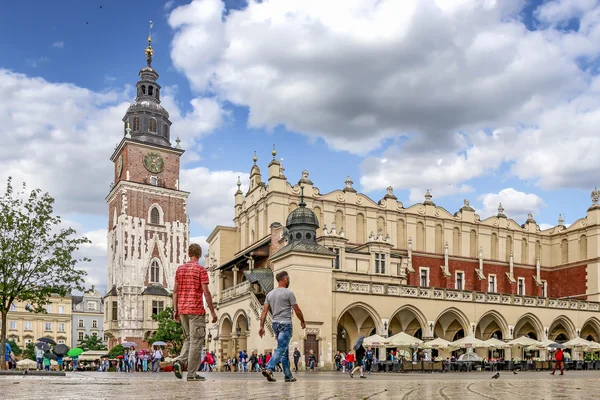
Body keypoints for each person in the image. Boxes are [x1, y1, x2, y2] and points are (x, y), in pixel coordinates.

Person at [172, 243, 217, 382]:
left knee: (189, 339)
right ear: (199, 254)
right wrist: (213, 312)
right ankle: (191, 373)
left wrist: (175, 310)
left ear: (188, 253)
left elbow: (175, 291)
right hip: (196, 310)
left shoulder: (180, 270)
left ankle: (180, 362)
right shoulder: (201, 270)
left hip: (182, 310)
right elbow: (206, 292)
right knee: (196, 342)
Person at [259, 270, 306, 383]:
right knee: (281, 348)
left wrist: (261, 326)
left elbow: (264, 311)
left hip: (275, 324)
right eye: (288, 278)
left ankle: (288, 376)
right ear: (285, 279)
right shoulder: (288, 293)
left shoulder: (270, 294)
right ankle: (269, 368)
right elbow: (297, 310)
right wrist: (302, 321)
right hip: (285, 324)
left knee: (284, 350)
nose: (288, 280)